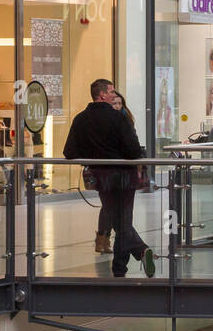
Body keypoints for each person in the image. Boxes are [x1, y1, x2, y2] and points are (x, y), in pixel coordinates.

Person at [63, 78, 155, 278]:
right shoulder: (118, 119)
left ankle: (137, 254)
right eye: (111, 91)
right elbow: (133, 150)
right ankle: (122, 267)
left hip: (101, 177)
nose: (114, 94)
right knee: (124, 221)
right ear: (102, 94)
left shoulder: (80, 119)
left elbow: (69, 151)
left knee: (117, 220)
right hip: (124, 175)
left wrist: (92, 156)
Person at [94, 90, 138, 253]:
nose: (118, 106)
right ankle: (102, 239)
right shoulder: (104, 122)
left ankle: (121, 240)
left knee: (122, 208)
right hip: (107, 170)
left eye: (120, 103)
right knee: (108, 206)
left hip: (126, 170)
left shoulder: (127, 120)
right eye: (114, 103)